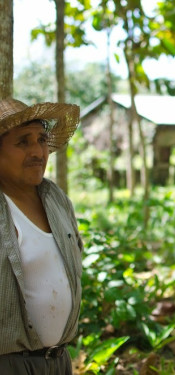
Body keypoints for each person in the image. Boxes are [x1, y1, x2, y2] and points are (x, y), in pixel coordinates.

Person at [0, 98, 83, 375]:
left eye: (41, 139)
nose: (37, 151)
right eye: (23, 142)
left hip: (57, 360)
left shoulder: (56, 199)